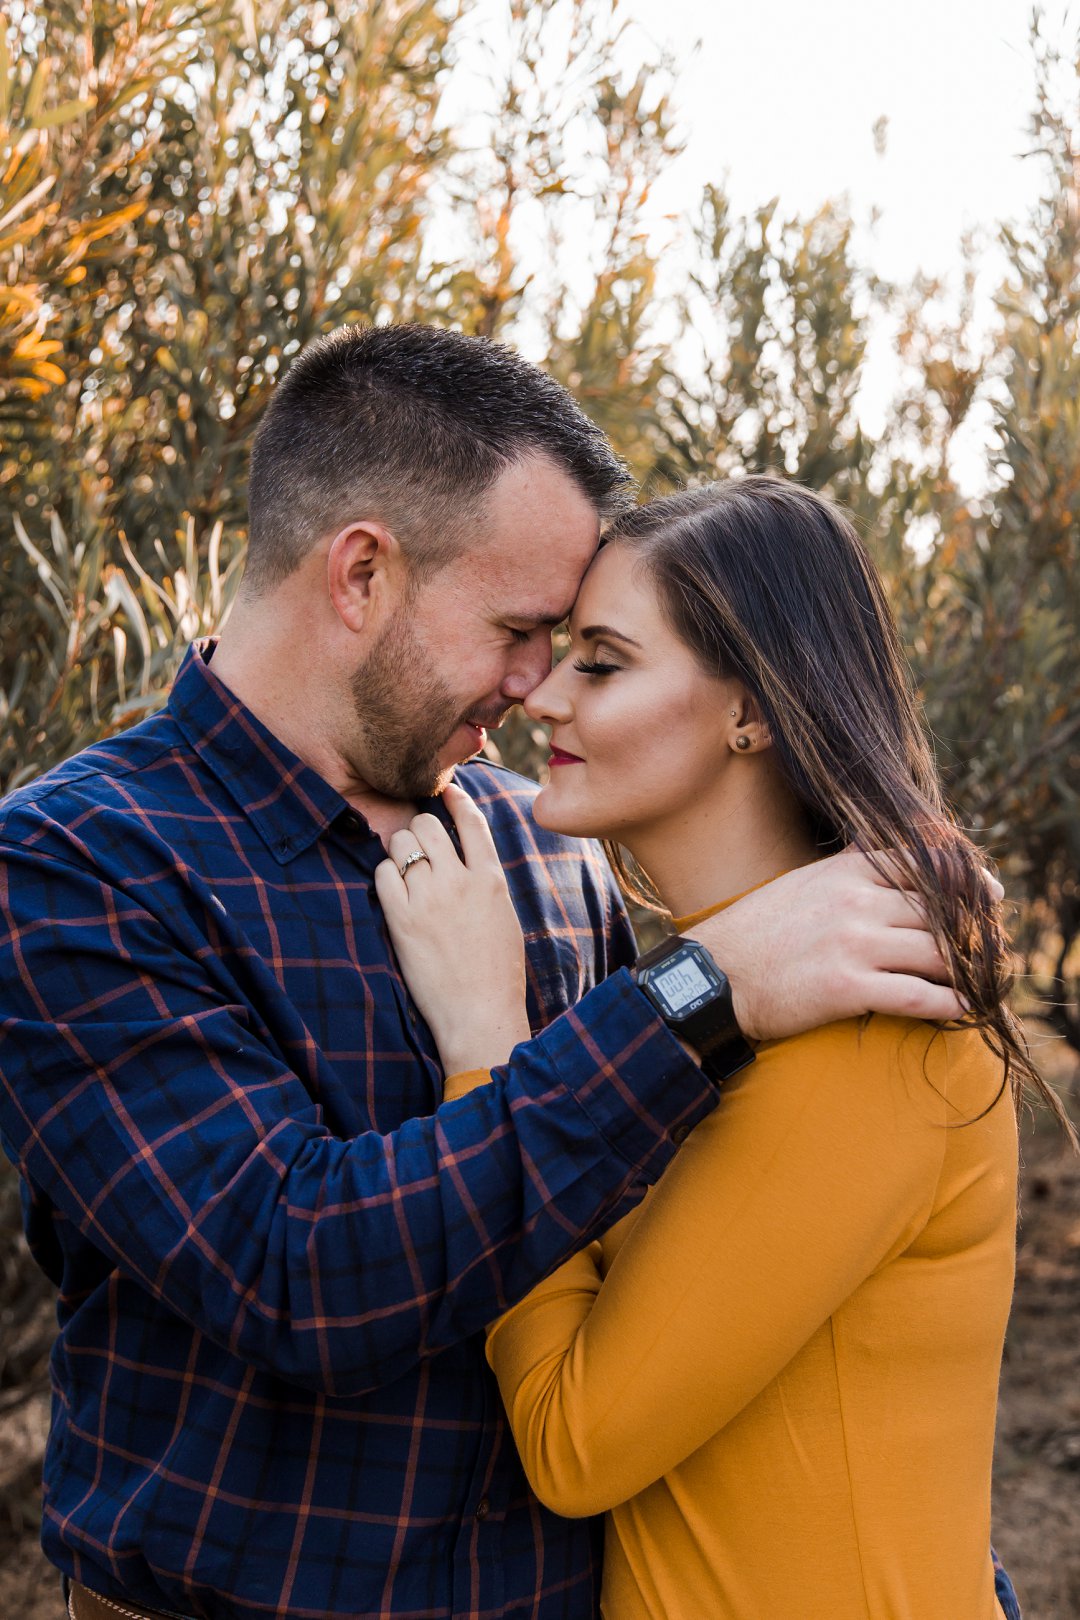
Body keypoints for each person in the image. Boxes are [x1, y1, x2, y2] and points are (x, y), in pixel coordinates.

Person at [0, 327, 974, 1620]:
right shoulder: (81, 861)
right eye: (522, 631)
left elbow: (667, 1272)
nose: (535, 690)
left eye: (578, 647)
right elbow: (292, 1267)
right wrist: (699, 992)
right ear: (361, 574)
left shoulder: (542, 844)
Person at [378, 478, 1048, 1620]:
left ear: (753, 710)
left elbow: (572, 1443)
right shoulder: (713, 1007)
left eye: (601, 661)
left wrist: (489, 1055)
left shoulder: (872, 1039)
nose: (540, 692)